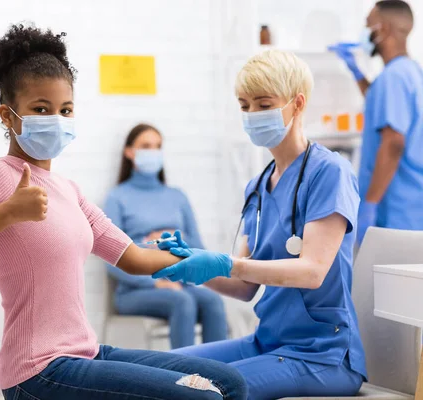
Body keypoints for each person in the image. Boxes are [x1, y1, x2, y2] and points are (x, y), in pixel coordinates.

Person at [0, 24, 246, 400]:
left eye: (65, 109)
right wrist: (6, 214)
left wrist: (201, 260)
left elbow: (132, 257)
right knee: (199, 397)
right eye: (41, 109)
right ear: (8, 115)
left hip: (85, 353)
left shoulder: (69, 191)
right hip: (38, 372)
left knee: (229, 382)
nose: (56, 119)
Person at [151, 50, 367, 399]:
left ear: (297, 104)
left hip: (322, 355)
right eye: (244, 105)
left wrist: (226, 262)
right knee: (154, 370)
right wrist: (191, 263)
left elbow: (312, 272)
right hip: (266, 343)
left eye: (263, 103)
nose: (252, 114)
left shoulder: (330, 172)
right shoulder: (258, 185)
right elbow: (244, 286)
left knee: (198, 390)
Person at [104, 123, 227, 349]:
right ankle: (184, 379)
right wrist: (154, 273)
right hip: (136, 291)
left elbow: (199, 249)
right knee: (183, 302)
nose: (153, 151)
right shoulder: (117, 197)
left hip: (180, 285)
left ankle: (218, 375)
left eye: (158, 146)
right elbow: (112, 259)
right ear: (129, 152)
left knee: (213, 301)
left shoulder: (177, 196)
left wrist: (172, 239)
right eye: (146, 146)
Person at [329, 0, 423, 245]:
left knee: (389, 282)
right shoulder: (410, 72)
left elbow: (394, 143)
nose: (365, 32)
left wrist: (370, 203)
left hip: (395, 212)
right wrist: (358, 75)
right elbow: (382, 107)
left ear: (384, 30)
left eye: (368, 25)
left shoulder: (393, 77)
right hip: (413, 208)